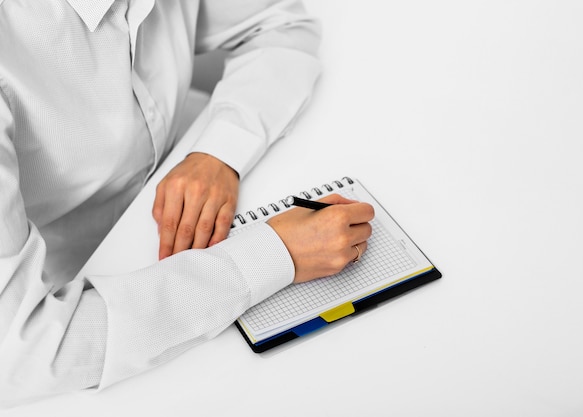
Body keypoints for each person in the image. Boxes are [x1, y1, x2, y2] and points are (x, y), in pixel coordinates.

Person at [0, 0, 374, 407]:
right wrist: (271, 256)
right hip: (78, 301)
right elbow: (22, 353)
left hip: (173, 210)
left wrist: (219, 152)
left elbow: (279, 21)